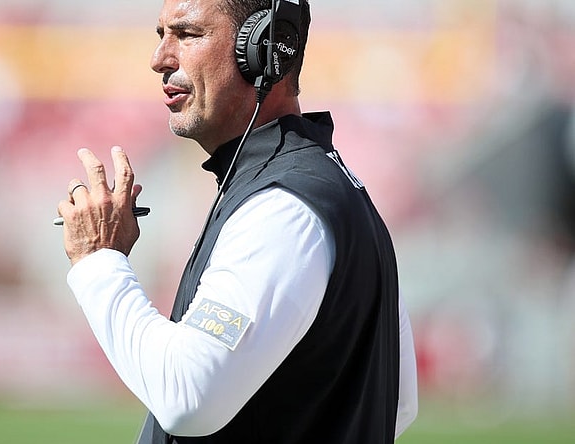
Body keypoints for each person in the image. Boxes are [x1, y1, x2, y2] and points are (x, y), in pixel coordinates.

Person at [56, 0, 418, 442]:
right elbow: (399, 404)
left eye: (187, 35)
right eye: (161, 35)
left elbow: (189, 398)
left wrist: (99, 262)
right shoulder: (315, 187)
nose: (159, 59)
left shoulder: (285, 208)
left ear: (267, 49)